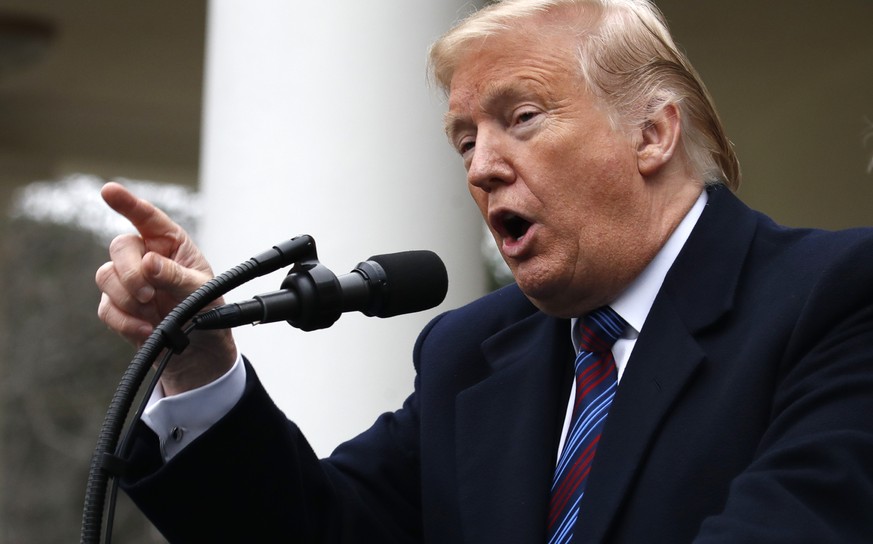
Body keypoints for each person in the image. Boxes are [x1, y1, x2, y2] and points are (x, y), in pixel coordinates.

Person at [95, 0, 873, 542]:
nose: (482, 168)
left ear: (651, 133)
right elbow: (314, 531)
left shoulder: (837, 296)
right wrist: (199, 360)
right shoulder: (469, 353)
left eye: (521, 118)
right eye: (463, 141)